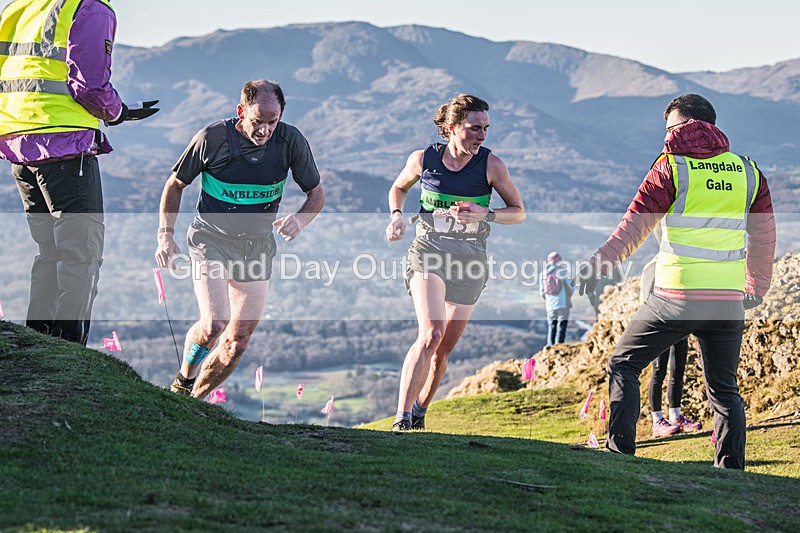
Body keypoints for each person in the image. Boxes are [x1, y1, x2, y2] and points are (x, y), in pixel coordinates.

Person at [574, 94, 775, 469]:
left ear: (686, 127)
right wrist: (756, 286)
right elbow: (764, 237)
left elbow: (635, 224)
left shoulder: (672, 168)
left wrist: (599, 264)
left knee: (624, 364)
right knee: (724, 390)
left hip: (676, 296)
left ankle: (620, 456)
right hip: (728, 300)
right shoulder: (748, 171)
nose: (666, 135)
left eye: (670, 128)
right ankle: (730, 472)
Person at [0, 0, 158, 345]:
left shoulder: (20, 8)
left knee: (49, 251)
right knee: (81, 254)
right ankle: (70, 348)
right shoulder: (90, 8)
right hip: (66, 145)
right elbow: (88, 85)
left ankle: (38, 343)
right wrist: (117, 112)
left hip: (17, 144)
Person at [155, 80, 324, 399]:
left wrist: (300, 220)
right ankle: (184, 378)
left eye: (272, 122)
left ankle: (195, 403)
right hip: (211, 240)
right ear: (240, 111)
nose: (264, 130)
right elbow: (175, 185)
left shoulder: (290, 141)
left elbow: (316, 194)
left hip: (256, 247)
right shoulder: (213, 138)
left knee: (237, 341)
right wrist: (165, 235)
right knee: (215, 323)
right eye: (257, 121)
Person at [386, 94, 525, 431]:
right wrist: (396, 216)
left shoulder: (492, 166)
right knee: (431, 333)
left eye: (486, 128)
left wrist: (486, 213)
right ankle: (402, 418)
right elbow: (398, 187)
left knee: (442, 351)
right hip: (428, 251)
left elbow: (518, 213)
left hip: (470, 261)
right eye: (474, 128)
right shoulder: (424, 159)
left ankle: (420, 410)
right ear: (451, 128)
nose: (482, 135)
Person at [640, 256, 702, 437]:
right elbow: (647, 296)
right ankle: (657, 421)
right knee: (659, 371)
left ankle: (676, 416)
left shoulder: (681, 259)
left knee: (678, 370)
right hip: (660, 324)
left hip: (681, 322)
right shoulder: (653, 265)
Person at [539, 251, 572, 346]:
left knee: (552, 327)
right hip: (563, 304)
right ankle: (559, 347)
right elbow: (571, 288)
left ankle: (550, 347)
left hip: (550, 305)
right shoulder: (563, 272)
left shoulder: (543, 274)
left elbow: (542, 292)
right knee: (561, 327)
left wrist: (549, 299)